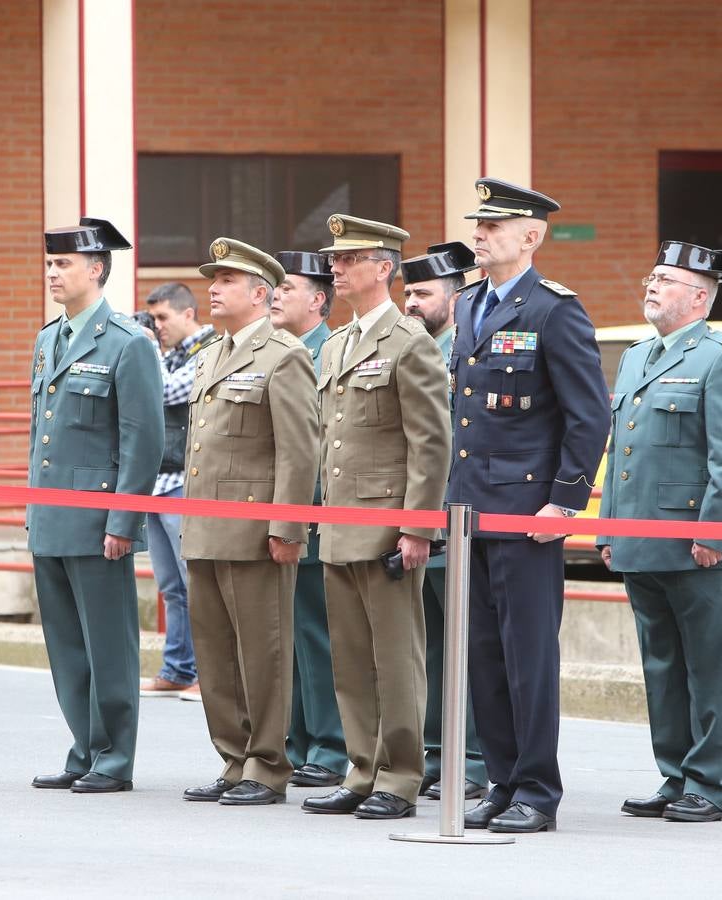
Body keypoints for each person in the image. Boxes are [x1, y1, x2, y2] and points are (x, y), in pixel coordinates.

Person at [447, 178, 609, 833]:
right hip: (471, 510)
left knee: (528, 657)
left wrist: (564, 503)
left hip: (527, 514)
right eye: (477, 225)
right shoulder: (466, 305)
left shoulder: (553, 310)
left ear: (531, 236)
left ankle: (538, 789)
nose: (479, 236)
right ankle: (501, 778)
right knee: (483, 654)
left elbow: (588, 415)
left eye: (493, 227)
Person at [597, 241, 722, 823]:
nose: (650, 285)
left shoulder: (721, 358)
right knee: (661, 665)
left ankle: (711, 784)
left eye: (664, 279)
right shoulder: (638, 356)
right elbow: (622, 453)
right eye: (651, 276)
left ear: (698, 296)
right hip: (642, 540)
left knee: (706, 667)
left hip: (699, 546)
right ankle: (674, 775)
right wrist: (609, 530)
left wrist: (713, 532)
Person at [302, 214, 450, 821]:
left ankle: (400, 775)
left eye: (348, 259)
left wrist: (417, 525)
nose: (335, 269)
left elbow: (429, 441)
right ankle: (360, 769)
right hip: (339, 522)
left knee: (395, 658)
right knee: (351, 656)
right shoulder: (337, 343)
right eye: (334, 260)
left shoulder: (410, 340)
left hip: (387, 524)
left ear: (383, 267)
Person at [179, 238, 320, 806]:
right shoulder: (212, 354)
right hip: (206, 526)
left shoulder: (284, 355)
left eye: (226, 280)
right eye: (213, 279)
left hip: (255, 532)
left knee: (262, 651)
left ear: (260, 293)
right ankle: (233, 758)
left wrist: (287, 527)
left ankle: (266, 763)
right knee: (213, 652)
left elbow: (298, 450)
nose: (213, 288)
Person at [28, 220, 164, 794]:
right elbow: (42, 431)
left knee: (108, 644)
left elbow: (143, 440)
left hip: (99, 520)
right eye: (50, 264)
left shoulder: (128, 342)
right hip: (52, 515)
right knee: (65, 644)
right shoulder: (46, 339)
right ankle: (83, 747)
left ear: (97, 270)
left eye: (65, 265)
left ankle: (113, 757)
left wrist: (124, 521)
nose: (54, 273)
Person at [400, 241, 490, 800]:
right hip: (422, 520)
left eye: (423, 294)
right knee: (432, 646)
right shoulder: (419, 349)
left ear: (454, 299)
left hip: (458, 518)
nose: (411, 303)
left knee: (467, 643)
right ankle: (436, 754)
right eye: (406, 292)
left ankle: (473, 761)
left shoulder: (465, 350)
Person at [271, 250, 348, 789]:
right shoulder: (275, 352)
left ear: (318, 300)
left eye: (288, 287)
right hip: (280, 514)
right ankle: (294, 742)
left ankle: (330, 745)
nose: (275, 295)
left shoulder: (333, 352)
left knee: (322, 637)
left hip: (320, 513)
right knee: (289, 635)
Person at [140, 281, 216, 697]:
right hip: (157, 481)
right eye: (152, 319)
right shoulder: (169, 355)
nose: (157, 326)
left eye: (163, 317)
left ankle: (211, 674)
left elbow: (163, 392)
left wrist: (146, 348)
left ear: (189, 314)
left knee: (196, 583)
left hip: (186, 481)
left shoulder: (208, 353)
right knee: (171, 585)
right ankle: (178, 667)